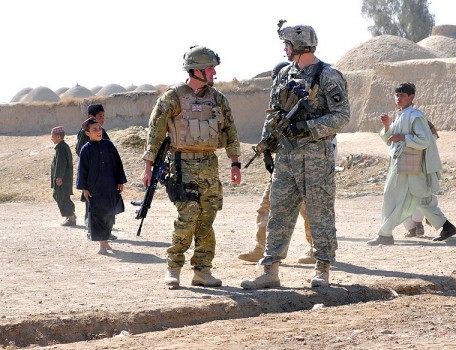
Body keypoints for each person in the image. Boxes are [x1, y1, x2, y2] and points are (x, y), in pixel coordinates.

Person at [241, 21, 350, 290]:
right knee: (279, 213)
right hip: (286, 158)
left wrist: (307, 128)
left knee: (320, 213)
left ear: (299, 46)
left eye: (287, 44)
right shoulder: (283, 75)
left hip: (316, 157)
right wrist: (267, 146)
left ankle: (322, 269)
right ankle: (270, 271)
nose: (284, 49)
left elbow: (341, 116)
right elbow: (273, 113)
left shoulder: (328, 75)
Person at [141, 45, 241, 288]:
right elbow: (155, 133)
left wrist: (235, 163)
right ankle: (173, 268)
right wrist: (148, 166)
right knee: (188, 216)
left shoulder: (218, 99)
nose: (214, 73)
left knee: (207, 220)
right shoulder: (172, 98)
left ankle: (202, 271)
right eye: (210, 69)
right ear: (195, 70)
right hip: (182, 166)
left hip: (210, 165)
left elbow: (230, 131)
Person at [238, 61, 339, 264]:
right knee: (267, 207)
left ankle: (316, 251)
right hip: (283, 166)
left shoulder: (312, 101)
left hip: (308, 166)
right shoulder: (281, 106)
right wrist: (267, 152)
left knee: (311, 210)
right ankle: (262, 248)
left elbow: (333, 130)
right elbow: (272, 129)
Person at [367, 82, 456, 246]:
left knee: (392, 197)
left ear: (411, 97)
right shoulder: (401, 115)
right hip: (401, 165)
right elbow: (390, 139)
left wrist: (402, 137)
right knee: (422, 199)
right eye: (397, 95)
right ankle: (447, 227)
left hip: (412, 167)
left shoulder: (415, 115)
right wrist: (387, 126)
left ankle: (385, 234)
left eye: (402, 95)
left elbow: (424, 141)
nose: (398, 98)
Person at [76, 118, 127, 254]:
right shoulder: (85, 150)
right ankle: (102, 244)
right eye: (94, 130)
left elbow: (118, 164)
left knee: (110, 214)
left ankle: (106, 241)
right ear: (87, 133)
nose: (99, 132)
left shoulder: (109, 146)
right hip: (95, 189)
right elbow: (82, 170)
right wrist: (84, 188)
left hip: (110, 186)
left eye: (99, 129)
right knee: (97, 216)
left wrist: (120, 181)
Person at [50, 126, 76, 226]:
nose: (51, 138)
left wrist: (59, 177)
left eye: (52, 136)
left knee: (61, 196)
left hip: (63, 179)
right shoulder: (62, 146)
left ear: (58, 137)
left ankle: (71, 217)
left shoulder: (61, 148)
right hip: (65, 178)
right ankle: (71, 214)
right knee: (63, 196)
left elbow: (61, 163)